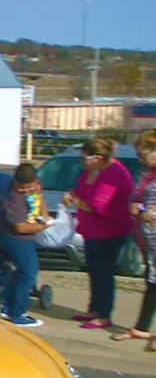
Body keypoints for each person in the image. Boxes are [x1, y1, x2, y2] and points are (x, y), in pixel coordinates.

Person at [63, 138, 135, 329]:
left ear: (99, 158)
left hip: (110, 231)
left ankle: (104, 314)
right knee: (93, 270)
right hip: (91, 230)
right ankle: (94, 308)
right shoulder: (93, 170)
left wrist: (78, 202)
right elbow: (80, 188)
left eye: (86, 158)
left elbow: (97, 204)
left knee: (104, 273)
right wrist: (71, 194)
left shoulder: (114, 173)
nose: (83, 162)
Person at [0, 164, 53, 328]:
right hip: (15, 237)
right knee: (29, 273)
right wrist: (45, 226)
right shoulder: (13, 197)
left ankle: (7, 308)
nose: (24, 191)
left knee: (21, 273)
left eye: (28, 187)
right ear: (15, 182)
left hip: (27, 237)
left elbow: (40, 196)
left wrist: (45, 215)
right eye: (21, 188)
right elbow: (20, 227)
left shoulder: (36, 185)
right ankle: (18, 314)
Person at [117, 131, 156, 347]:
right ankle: (141, 327)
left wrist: (146, 211)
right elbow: (138, 202)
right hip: (148, 238)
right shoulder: (148, 175)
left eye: (144, 154)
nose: (141, 159)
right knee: (152, 283)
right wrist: (139, 208)